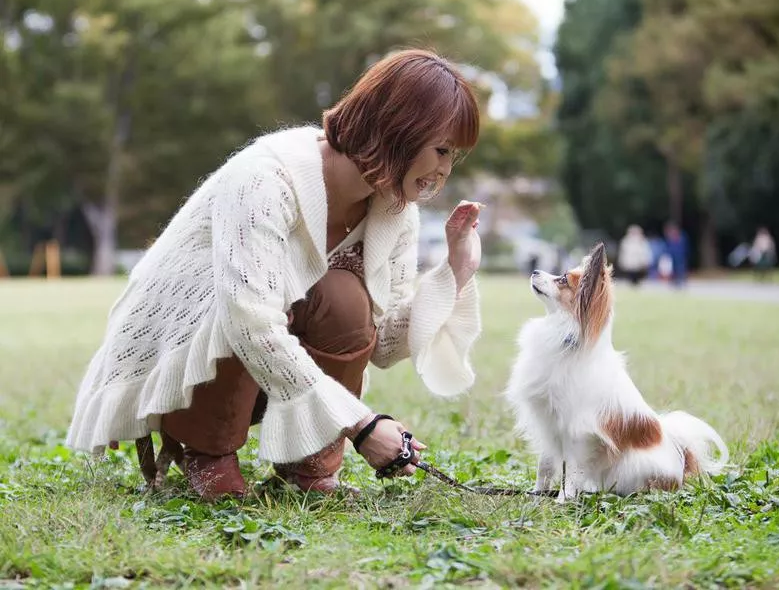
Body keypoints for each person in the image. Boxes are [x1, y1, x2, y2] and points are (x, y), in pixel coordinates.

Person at [66, 49, 484, 500]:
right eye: (441, 149)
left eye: (453, 155)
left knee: (345, 299)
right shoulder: (266, 177)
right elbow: (248, 320)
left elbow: (378, 344)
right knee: (248, 300)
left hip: (263, 358)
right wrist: (362, 425)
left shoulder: (395, 210)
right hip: (187, 350)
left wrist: (454, 273)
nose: (444, 169)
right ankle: (206, 451)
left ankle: (310, 463)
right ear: (400, 131)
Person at [663, 221, 689, 288]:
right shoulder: (670, 238)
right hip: (673, 257)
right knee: (673, 271)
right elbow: (668, 248)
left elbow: (685, 247)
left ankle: (682, 282)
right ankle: (675, 283)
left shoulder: (681, 237)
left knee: (681, 270)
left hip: (680, 257)